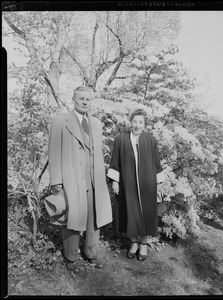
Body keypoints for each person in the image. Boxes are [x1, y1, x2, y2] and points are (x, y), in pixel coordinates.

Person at [48, 86, 112, 273]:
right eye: (81, 98)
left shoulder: (97, 124)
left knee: (94, 218)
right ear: (73, 99)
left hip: (94, 180)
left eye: (88, 99)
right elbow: (54, 152)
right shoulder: (61, 121)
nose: (85, 102)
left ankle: (91, 254)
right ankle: (71, 258)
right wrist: (56, 181)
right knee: (72, 219)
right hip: (71, 179)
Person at [107, 108, 165, 261]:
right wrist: (115, 181)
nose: (137, 125)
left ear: (145, 124)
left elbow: (157, 164)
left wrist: (158, 186)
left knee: (146, 214)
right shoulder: (120, 139)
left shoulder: (151, 141)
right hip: (128, 183)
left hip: (147, 184)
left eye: (141, 122)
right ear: (130, 122)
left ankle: (144, 244)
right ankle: (133, 242)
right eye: (135, 122)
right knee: (129, 212)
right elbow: (115, 161)